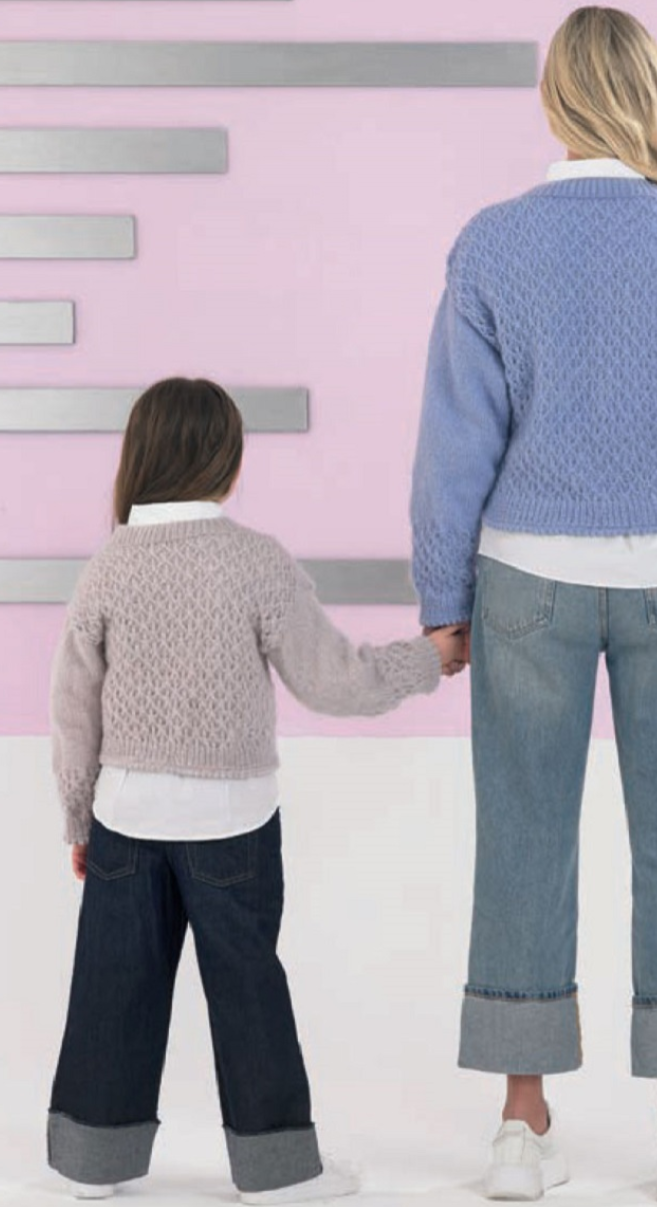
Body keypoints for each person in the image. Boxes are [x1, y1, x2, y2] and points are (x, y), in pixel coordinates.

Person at [410, 6, 657, 1203]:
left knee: (523, 832)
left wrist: (442, 596)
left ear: (556, 98)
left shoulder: (491, 245)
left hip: (526, 580)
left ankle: (520, 1126)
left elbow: (454, 444)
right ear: (652, 96)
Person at [47, 377, 464, 1204]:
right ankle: (275, 1169)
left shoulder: (108, 567)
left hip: (125, 815)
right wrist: (430, 659)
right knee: (247, 989)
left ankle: (93, 1161)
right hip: (231, 820)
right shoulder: (255, 562)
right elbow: (333, 680)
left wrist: (77, 816)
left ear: (139, 456)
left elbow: (72, 705)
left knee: (112, 985)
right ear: (225, 462)